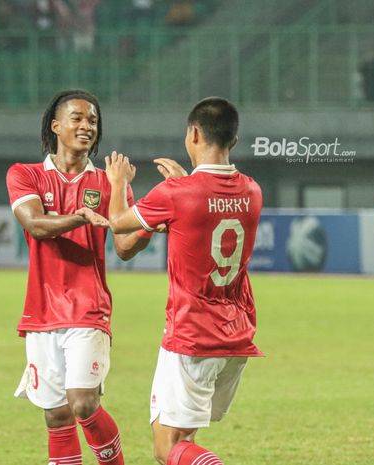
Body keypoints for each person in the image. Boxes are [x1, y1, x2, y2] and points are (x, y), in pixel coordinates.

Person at [105, 97, 264, 465]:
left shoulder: (177, 194)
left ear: (193, 134)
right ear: (234, 141)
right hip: (235, 337)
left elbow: (118, 224)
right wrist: (185, 185)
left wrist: (118, 182)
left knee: (166, 448)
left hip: (191, 335)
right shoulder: (252, 191)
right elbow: (207, 208)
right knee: (186, 438)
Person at [6, 89, 152, 465]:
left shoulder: (107, 183)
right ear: (56, 125)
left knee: (84, 404)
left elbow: (123, 247)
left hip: (88, 308)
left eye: (93, 121)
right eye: (78, 118)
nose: (87, 126)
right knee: (56, 415)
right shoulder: (26, 175)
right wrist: (81, 217)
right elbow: (36, 226)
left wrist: (149, 222)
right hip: (41, 312)